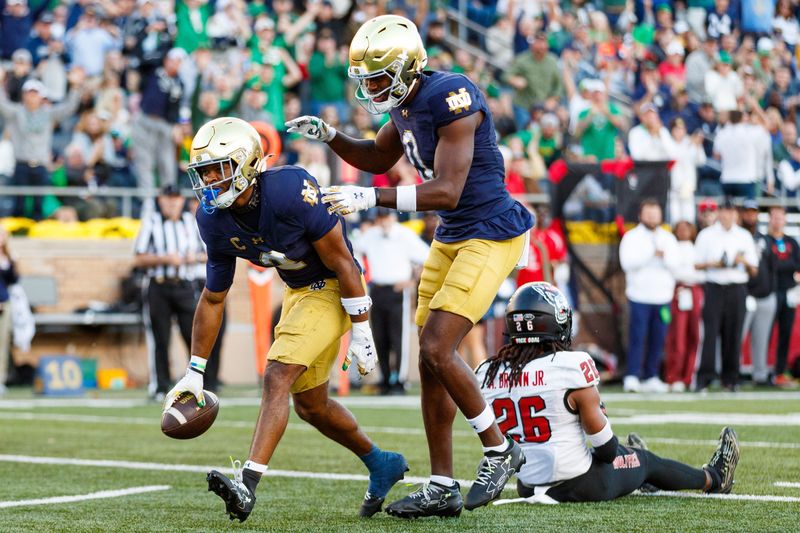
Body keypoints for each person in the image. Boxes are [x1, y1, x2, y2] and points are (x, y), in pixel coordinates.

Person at [285, 15, 533, 517]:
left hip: (492, 229)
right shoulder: (403, 103)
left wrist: (369, 198)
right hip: (455, 232)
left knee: (438, 346)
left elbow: (447, 189)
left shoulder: (451, 95)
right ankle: (442, 484)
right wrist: (331, 135)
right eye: (366, 79)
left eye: (378, 77)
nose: (371, 88)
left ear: (408, 67)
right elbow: (378, 156)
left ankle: (500, 448)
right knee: (428, 359)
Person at [165, 117, 407, 522]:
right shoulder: (212, 219)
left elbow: (344, 264)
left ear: (246, 165)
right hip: (298, 291)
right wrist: (195, 371)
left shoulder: (290, 190)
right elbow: (212, 298)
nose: (208, 182)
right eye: (202, 173)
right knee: (310, 406)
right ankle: (382, 463)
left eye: (216, 170)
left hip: (336, 287)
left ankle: (248, 484)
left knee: (276, 374)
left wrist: (363, 330)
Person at [477, 282, 740, 503]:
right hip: (580, 483)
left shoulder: (488, 373)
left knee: (625, 457)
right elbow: (606, 450)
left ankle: (638, 473)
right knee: (644, 460)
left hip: (528, 485)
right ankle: (714, 478)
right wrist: (623, 455)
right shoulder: (570, 367)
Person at [134, 184, 206, 401]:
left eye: (175, 198)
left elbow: (207, 254)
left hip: (185, 285)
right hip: (159, 285)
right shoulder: (151, 222)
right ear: (160, 200)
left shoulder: (190, 222)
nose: (172, 202)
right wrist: (164, 259)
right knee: (160, 338)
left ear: (181, 201)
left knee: (193, 337)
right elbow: (138, 258)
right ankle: (160, 386)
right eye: (168, 198)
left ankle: (198, 383)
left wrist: (192, 257)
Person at [352, 207, 430, 395]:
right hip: (377, 289)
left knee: (399, 337)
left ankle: (400, 381)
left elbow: (427, 257)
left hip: (397, 290)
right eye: (380, 217)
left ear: (393, 217)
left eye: (385, 216)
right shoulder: (371, 235)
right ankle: (385, 378)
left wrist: (412, 280)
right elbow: (354, 250)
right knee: (380, 337)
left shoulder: (404, 235)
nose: (383, 221)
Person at [694, 199, 759, 392]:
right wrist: (713, 264)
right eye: (724, 211)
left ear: (735, 215)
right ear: (719, 213)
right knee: (710, 334)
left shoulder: (744, 236)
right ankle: (704, 378)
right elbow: (696, 264)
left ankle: (731, 378)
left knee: (734, 334)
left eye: (731, 212)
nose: (727, 216)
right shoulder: (707, 235)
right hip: (714, 286)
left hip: (737, 287)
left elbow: (754, 270)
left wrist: (743, 261)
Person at [619, 200, 679, 393]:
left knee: (658, 338)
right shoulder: (632, 237)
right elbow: (627, 263)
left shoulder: (668, 238)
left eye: (655, 213)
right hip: (639, 296)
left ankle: (651, 375)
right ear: (640, 214)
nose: (652, 217)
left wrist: (664, 256)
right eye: (649, 213)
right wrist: (651, 254)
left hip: (662, 297)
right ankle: (632, 375)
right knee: (637, 337)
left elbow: (677, 264)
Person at [740, 200, 777, 386]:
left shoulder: (765, 239)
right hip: (744, 295)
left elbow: (772, 268)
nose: (750, 216)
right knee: (736, 337)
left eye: (753, 212)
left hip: (764, 295)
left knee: (761, 339)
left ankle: (760, 375)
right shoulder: (736, 237)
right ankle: (729, 372)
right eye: (747, 212)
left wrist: (771, 290)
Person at [664, 221, 704, 392]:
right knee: (677, 336)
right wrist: (691, 272)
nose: (683, 232)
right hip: (679, 291)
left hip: (694, 292)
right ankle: (674, 375)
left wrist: (690, 272)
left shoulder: (697, 248)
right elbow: (674, 271)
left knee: (694, 335)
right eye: (679, 229)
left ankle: (689, 375)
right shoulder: (673, 248)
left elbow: (702, 273)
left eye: (687, 229)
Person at [766, 206, 800, 387]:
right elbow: (771, 265)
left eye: (780, 217)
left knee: (785, 334)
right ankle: (763, 372)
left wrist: (781, 265)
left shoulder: (792, 243)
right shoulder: (764, 240)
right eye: (774, 217)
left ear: (785, 220)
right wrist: (786, 266)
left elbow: (796, 264)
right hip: (770, 291)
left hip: (788, 293)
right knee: (766, 333)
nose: (777, 220)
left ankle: (779, 372)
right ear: (770, 219)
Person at [0, 227, 18, 396]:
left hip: (4, 303)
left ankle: (1, 379)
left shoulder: (7, 257)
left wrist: (11, 262)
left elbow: (13, 280)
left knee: (3, 343)